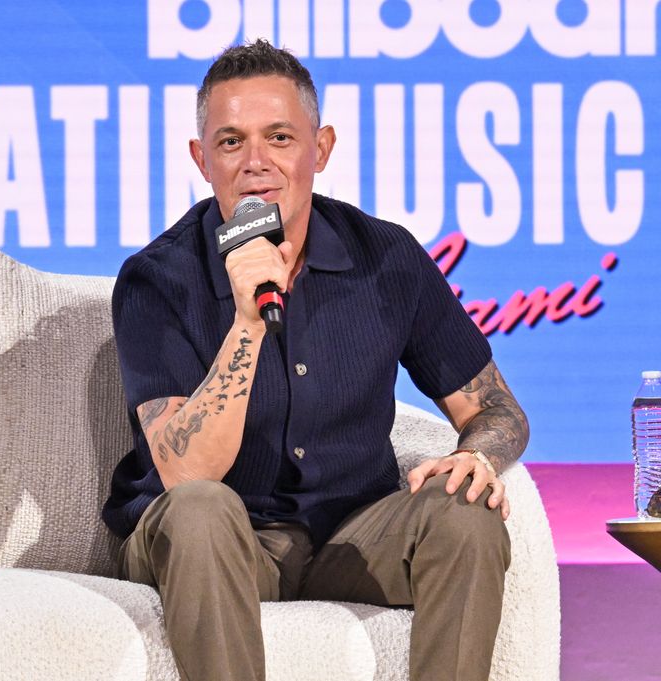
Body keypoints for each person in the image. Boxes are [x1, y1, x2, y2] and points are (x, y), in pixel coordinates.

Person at [103, 39, 529, 681]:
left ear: (320, 148)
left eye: (279, 137)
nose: (255, 163)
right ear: (200, 160)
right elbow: (187, 472)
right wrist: (248, 320)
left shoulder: (387, 258)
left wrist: (478, 456)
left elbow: (497, 410)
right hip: (217, 541)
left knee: (466, 511)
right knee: (201, 509)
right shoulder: (157, 281)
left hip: (354, 533)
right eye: (229, 142)